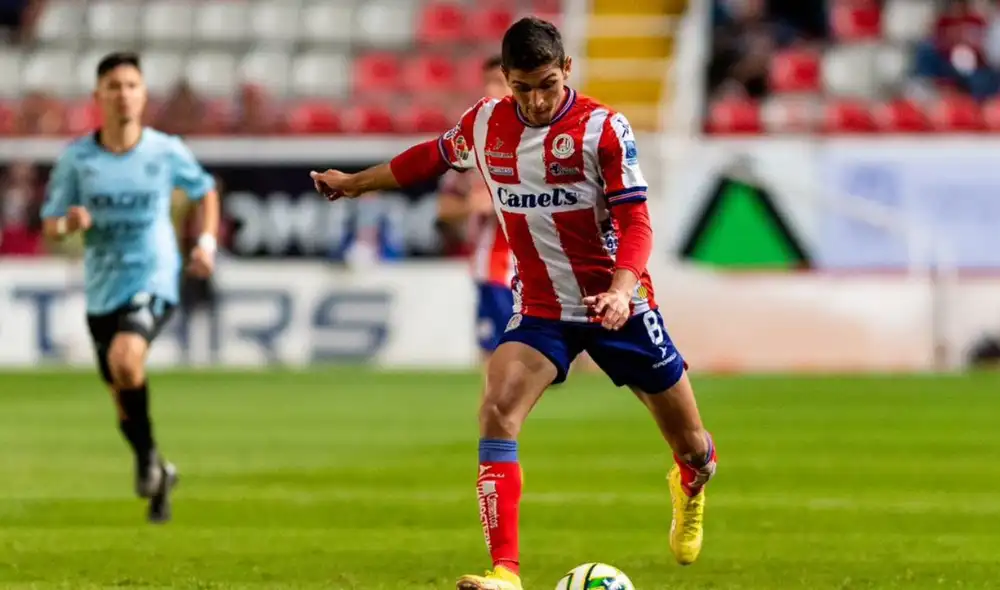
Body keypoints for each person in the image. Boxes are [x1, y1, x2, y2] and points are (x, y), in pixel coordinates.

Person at [311, 18, 717, 590]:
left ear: (567, 71)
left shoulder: (603, 129)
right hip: (543, 307)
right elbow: (429, 157)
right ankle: (505, 571)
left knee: (693, 446)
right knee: (497, 408)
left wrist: (624, 290)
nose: (536, 100)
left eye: (547, 84)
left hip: (617, 303)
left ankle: (691, 482)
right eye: (523, 87)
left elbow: (635, 219)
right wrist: (355, 183)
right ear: (506, 79)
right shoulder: (484, 124)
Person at [40, 52, 220, 524]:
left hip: (154, 275)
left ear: (143, 94)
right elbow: (50, 225)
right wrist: (69, 224)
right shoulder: (77, 160)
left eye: (132, 85)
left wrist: (205, 243)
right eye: (114, 86)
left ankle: (146, 462)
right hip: (102, 287)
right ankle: (158, 468)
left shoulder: (164, 150)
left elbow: (205, 190)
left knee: (125, 359)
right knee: (123, 393)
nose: (124, 94)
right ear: (98, 96)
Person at [437, 55, 517, 362]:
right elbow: (445, 207)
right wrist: (474, 204)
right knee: (493, 356)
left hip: (537, 271)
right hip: (492, 267)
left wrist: (504, 202)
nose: (489, 90)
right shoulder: (470, 144)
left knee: (531, 364)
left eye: (498, 82)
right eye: (486, 82)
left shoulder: (540, 142)